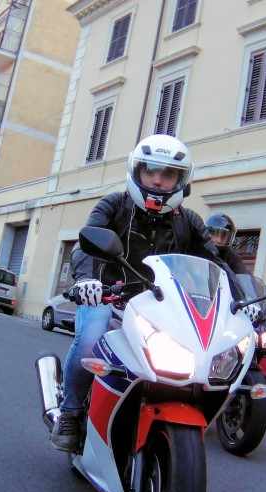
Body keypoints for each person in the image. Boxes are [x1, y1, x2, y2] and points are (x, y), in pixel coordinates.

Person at [50, 134, 227, 452]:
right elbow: (86, 244)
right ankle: (71, 413)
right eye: (150, 171)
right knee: (91, 336)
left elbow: (215, 263)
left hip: (159, 307)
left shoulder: (188, 221)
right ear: (138, 172)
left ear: (180, 180)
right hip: (106, 297)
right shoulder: (113, 205)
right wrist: (88, 281)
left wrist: (241, 299)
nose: (158, 181)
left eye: (168, 174)